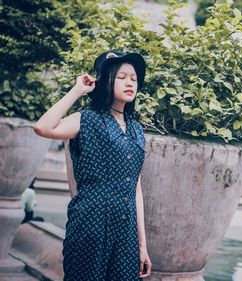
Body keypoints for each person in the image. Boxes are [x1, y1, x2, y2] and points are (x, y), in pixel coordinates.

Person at [33, 51, 152, 280]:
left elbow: (135, 188)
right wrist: (78, 90)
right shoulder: (87, 119)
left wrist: (142, 245)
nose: (130, 82)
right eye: (122, 77)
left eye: (134, 78)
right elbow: (43, 127)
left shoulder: (136, 129)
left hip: (125, 232)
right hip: (91, 223)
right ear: (107, 81)